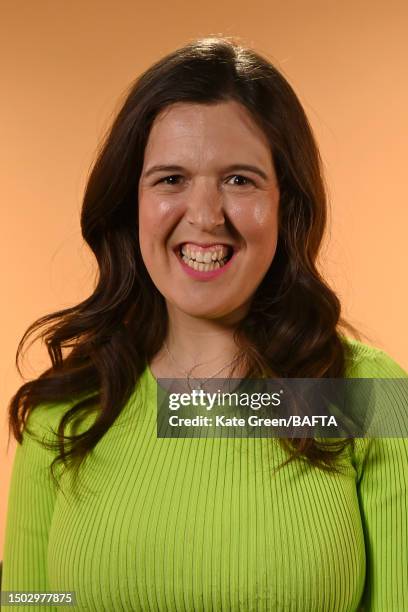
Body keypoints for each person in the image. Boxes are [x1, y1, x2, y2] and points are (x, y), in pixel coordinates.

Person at [2, 36, 407, 611]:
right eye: (171, 179)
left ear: (286, 203)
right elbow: (33, 604)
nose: (205, 215)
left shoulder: (365, 396)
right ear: (130, 202)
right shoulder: (66, 409)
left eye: (240, 180)